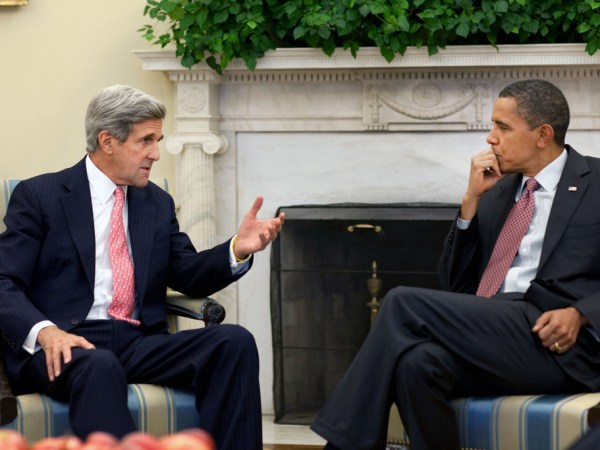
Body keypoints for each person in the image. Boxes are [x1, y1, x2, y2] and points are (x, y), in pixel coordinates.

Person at [310, 79, 600, 450]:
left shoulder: (594, 182)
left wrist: (581, 313)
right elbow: (456, 288)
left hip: (561, 343)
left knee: (401, 302)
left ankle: (340, 446)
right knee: (416, 364)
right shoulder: (497, 192)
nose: (491, 139)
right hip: (497, 332)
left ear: (543, 135)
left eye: (503, 127)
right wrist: (470, 203)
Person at [0, 85, 285, 449]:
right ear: (107, 141)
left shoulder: (157, 203)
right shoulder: (41, 196)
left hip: (138, 343)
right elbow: (4, 280)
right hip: (64, 344)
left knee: (233, 341)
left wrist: (236, 249)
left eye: (158, 140)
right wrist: (45, 332)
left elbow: (186, 272)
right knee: (99, 363)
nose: (156, 154)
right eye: (146, 140)